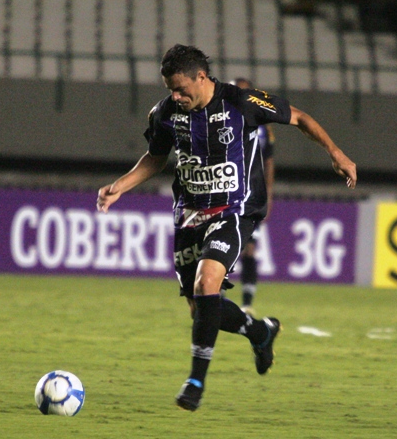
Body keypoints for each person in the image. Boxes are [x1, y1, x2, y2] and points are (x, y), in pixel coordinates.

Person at [97, 44, 356, 411]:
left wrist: (336, 153)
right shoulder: (166, 113)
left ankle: (195, 382)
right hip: (188, 214)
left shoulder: (241, 102)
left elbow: (299, 118)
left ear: (201, 77)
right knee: (200, 306)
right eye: (170, 88)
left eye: (181, 88)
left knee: (206, 282)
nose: (176, 95)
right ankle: (260, 332)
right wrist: (119, 187)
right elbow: (156, 157)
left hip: (234, 210)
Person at [228, 77, 275, 315]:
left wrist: (269, 194)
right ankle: (216, 296)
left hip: (252, 193)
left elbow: (269, 161)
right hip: (226, 191)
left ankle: (247, 302)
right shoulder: (222, 118)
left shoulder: (263, 126)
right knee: (225, 245)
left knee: (250, 248)